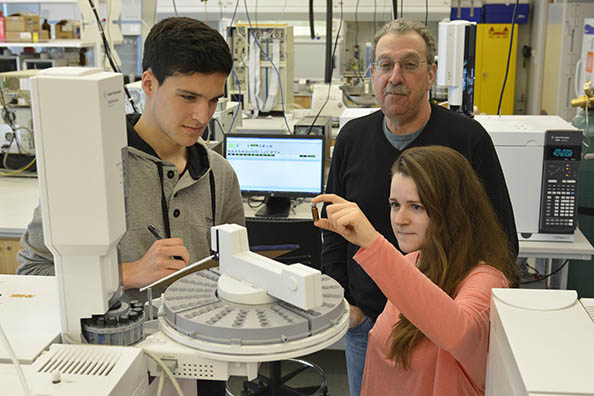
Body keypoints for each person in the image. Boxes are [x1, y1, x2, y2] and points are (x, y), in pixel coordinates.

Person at [16, 17, 244, 395]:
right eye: (188, 97)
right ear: (149, 83)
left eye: (213, 100)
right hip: (114, 372)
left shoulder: (220, 174)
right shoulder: (92, 169)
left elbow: (234, 272)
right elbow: (32, 272)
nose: (203, 117)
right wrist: (123, 274)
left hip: (202, 369)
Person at [322, 18, 518, 396]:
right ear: (372, 73)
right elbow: (335, 230)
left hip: (439, 329)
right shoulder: (352, 137)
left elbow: (501, 237)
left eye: (409, 65)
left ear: (430, 75)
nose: (395, 76)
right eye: (384, 65)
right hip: (371, 323)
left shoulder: (467, 138)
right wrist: (346, 301)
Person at [314, 146, 518, 396]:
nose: (400, 219)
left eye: (416, 207)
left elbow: (458, 332)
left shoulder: (486, 280)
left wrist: (373, 245)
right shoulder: (414, 261)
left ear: (454, 211)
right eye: (395, 204)